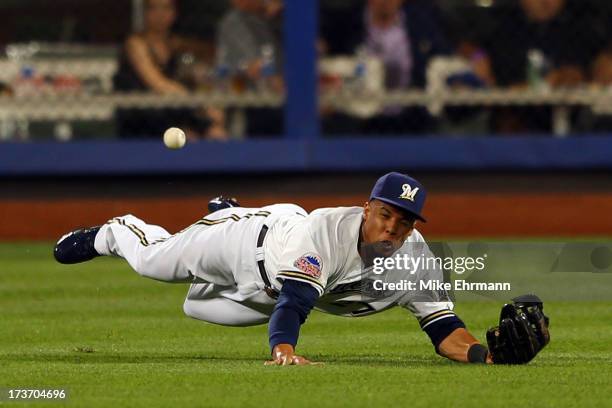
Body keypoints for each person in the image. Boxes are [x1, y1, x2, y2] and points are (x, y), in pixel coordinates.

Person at [54, 172, 511, 366]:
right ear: (367, 208)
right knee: (155, 263)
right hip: (244, 244)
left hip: (266, 289)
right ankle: (116, 231)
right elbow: (294, 306)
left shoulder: (416, 260)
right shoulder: (329, 234)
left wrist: (485, 356)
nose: (392, 228)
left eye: (404, 221)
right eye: (385, 215)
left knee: (197, 309)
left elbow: (444, 329)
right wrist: (284, 351)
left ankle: (222, 207)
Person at [320, 0, 450, 134]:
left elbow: (446, 60)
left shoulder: (422, 23)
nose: (385, 1)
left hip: (413, 124)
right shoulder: (344, 24)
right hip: (358, 127)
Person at [114, 0, 227, 140]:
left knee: (216, 133)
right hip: (142, 118)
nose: (160, 14)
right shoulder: (135, 44)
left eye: (166, 8)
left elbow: (200, 72)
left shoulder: (175, 44)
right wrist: (201, 105)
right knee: (188, 136)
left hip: (172, 114)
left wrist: (209, 101)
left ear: (174, 13)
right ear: (145, 13)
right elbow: (159, 84)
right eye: (153, 9)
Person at [216, 0, 284, 136]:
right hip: (251, 104)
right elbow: (255, 67)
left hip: (280, 102)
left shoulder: (275, 19)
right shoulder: (233, 22)